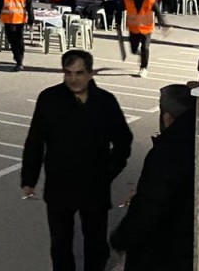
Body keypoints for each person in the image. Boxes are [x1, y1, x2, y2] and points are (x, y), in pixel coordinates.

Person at [22, 50, 133, 271]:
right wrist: (29, 178)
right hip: (59, 184)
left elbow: (123, 141)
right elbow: (35, 140)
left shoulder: (105, 102)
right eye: (68, 73)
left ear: (90, 73)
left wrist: (107, 172)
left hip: (94, 187)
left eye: (79, 73)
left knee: (96, 242)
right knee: (61, 243)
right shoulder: (49, 99)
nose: (73, 79)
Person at [109, 85, 196, 270]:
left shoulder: (167, 153)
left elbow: (149, 205)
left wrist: (121, 239)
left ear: (166, 117)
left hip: (163, 250)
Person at [124, 0, 157, 78]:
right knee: (134, 50)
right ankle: (142, 55)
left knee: (145, 47)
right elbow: (121, 8)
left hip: (146, 28)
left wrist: (164, 23)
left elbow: (157, 10)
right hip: (134, 28)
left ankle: (144, 68)